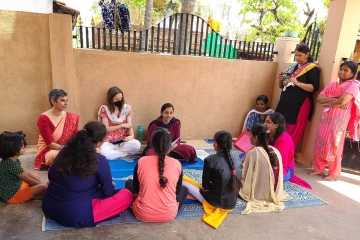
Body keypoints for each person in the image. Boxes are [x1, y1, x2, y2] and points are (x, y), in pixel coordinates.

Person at [42, 121, 134, 228]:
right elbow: (108, 191)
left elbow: (52, 176)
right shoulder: (99, 160)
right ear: (99, 143)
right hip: (74, 215)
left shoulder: (64, 152)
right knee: (126, 195)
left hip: (49, 206)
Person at [309, 61, 360, 181]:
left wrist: (328, 102)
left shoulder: (353, 85)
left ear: (352, 73)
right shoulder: (333, 85)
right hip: (326, 118)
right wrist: (335, 101)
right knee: (320, 140)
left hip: (339, 120)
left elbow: (343, 101)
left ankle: (333, 172)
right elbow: (319, 98)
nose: (342, 72)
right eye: (341, 69)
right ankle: (318, 168)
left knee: (334, 144)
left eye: (346, 70)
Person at [125, 128, 188, 223]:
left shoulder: (142, 161)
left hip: (142, 213)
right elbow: (177, 191)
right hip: (169, 214)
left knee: (128, 183)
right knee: (184, 189)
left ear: (152, 145)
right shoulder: (177, 163)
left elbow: (137, 189)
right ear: (169, 145)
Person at [182, 131, 242, 228]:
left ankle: (191, 196)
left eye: (214, 142)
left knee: (183, 180)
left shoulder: (210, 160)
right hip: (232, 203)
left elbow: (205, 187)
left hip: (215, 203)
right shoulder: (237, 158)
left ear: (217, 144)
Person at [276, 44, 320, 147]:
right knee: (279, 122)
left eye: (300, 55)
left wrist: (298, 83)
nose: (297, 58)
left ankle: (286, 150)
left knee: (292, 127)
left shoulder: (312, 68)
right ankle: (276, 147)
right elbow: (282, 86)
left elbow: (314, 87)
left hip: (299, 103)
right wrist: (281, 79)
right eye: (296, 55)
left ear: (307, 54)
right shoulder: (293, 67)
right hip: (285, 101)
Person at [240, 124, 290, 214]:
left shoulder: (253, 153)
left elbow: (244, 174)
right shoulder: (274, 150)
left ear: (255, 138)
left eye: (250, 135)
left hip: (260, 192)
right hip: (274, 191)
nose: (249, 137)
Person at [34, 89, 79, 170]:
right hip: (49, 149)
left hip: (67, 147)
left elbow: (76, 136)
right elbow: (50, 143)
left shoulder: (71, 117)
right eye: (62, 100)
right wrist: (67, 149)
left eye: (66, 100)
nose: (66, 103)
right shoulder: (44, 118)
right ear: (53, 101)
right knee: (56, 156)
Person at [265, 112, 311, 189]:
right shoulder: (269, 134)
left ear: (276, 125)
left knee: (266, 179)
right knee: (244, 156)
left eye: (268, 122)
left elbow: (278, 160)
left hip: (284, 168)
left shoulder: (284, 139)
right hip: (271, 162)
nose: (265, 124)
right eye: (265, 121)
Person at [0, 131, 47, 204]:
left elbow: (24, 173)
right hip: (12, 196)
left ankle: (33, 194)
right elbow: (28, 180)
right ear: (13, 149)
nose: (25, 147)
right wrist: (43, 185)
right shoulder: (10, 164)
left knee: (35, 176)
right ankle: (34, 196)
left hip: (17, 185)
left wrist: (40, 183)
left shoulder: (10, 160)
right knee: (43, 187)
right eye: (22, 146)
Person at [98, 87, 141, 160]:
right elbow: (106, 129)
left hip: (123, 140)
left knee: (137, 145)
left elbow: (129, 126)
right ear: (111, 99)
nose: (119, 101)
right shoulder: (105, 109)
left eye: (121, 99)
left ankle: (115, 153)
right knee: (103, 153)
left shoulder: (126, 108)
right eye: (117, 100)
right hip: (110, 141)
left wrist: (131, 136)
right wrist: (121, 125)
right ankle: (124, 153)